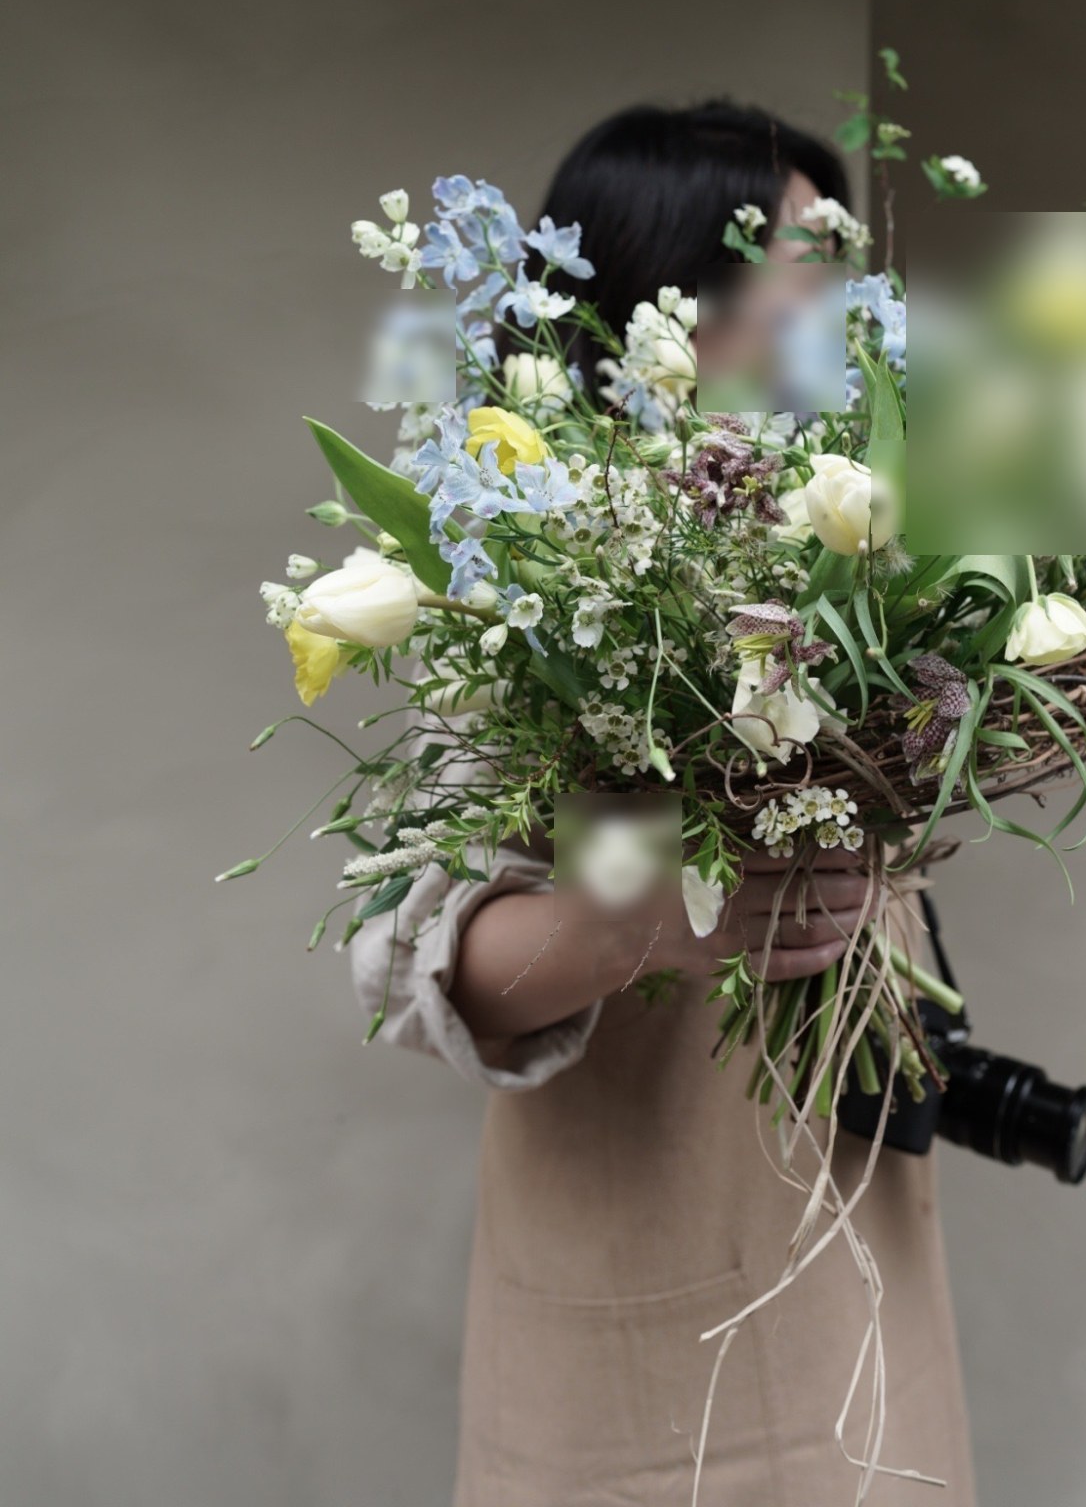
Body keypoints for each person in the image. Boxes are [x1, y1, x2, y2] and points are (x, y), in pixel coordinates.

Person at [350, 101, 976, 1506]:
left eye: (843, 266)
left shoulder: (870, 545)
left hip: (855, 1240)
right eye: (799, 262)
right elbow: (407, 962)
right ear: (667, 293)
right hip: (634, 1270)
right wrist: (657, 918)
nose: (835, 308)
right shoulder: (520, 571)